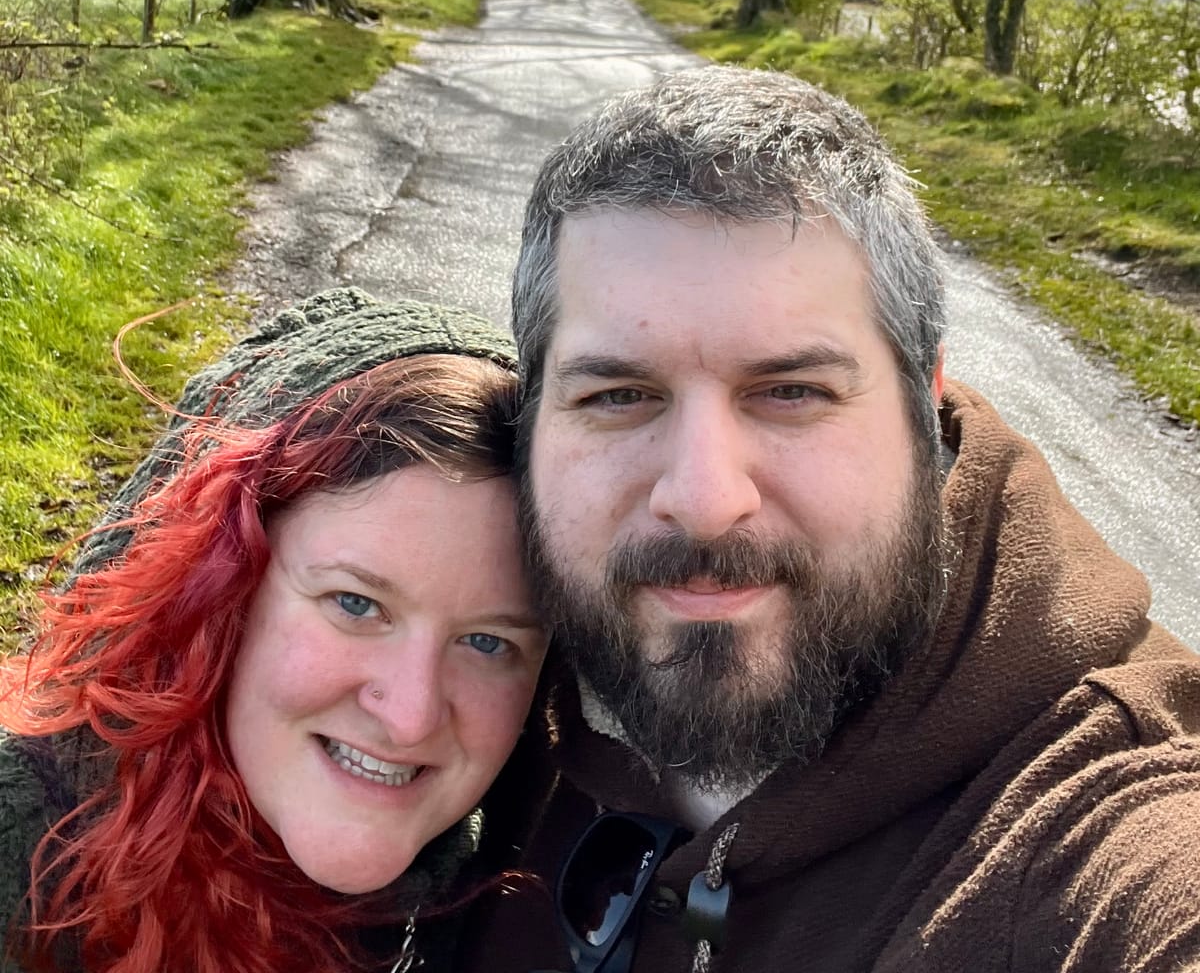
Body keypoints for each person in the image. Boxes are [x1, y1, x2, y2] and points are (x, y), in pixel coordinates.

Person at [455, 67, 1200, 973]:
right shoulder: (451, 676)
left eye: (792, 392)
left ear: (923, 406)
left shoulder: (1103, 812)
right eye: (618, 395)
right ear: (532, 416)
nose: (701, 496)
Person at [0, 288, 548, 973]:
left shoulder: (531, 899)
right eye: (354, 604)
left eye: (488, 642)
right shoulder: (22, 865)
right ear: (215, 591)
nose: (410, 717)